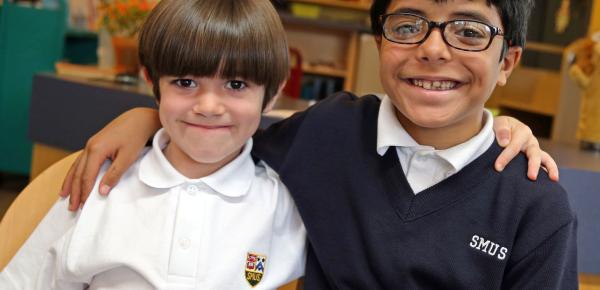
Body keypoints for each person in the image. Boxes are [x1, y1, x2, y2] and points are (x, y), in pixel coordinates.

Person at [60, 0, 570, 289]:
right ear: (379, 44)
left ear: (507, 61)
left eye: (468, 29)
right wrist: (146, 116)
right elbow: (224, 126)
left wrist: (507, 127)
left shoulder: (531, 201)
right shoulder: (328, 133)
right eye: (408, 25)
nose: (433, 48)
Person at [0, 0, 306, 289]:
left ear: (273, 93)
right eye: (186, 83)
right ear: (152, 80)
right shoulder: (98, 184)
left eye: (236, 85)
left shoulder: (284, 204)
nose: (209, 106)